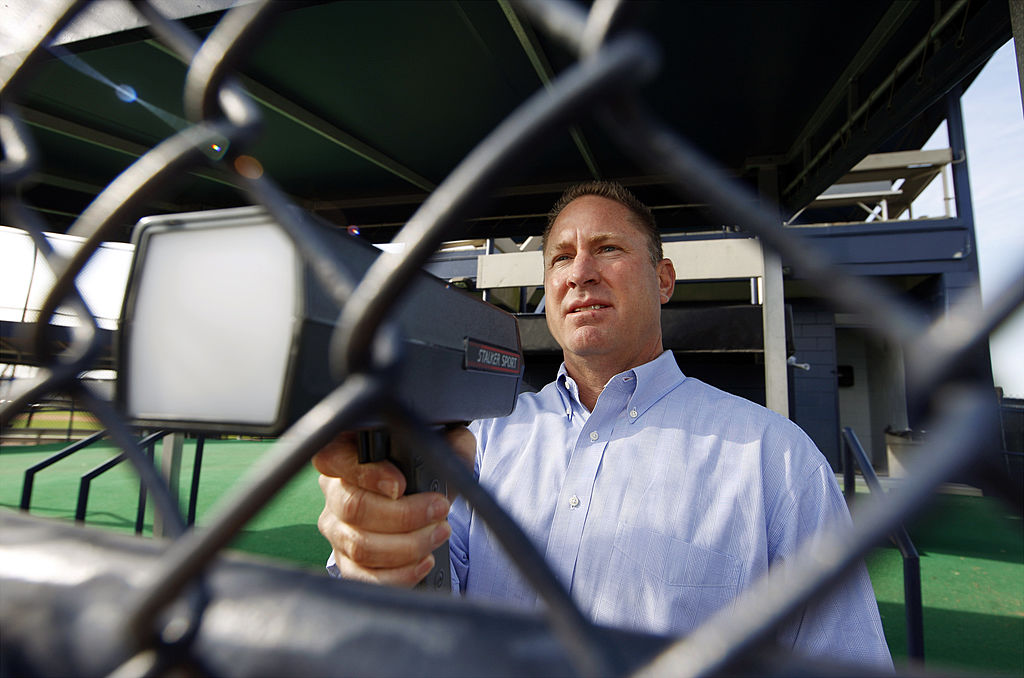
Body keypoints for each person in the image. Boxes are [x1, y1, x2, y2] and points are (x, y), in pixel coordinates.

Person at [314, 181, 893, 669]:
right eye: (561, 257)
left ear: (663, 280)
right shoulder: (481, 438)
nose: (580, 273)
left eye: (608, 248)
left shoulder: (775, 458)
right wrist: (378, 549)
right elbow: (425, 602)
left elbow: (843, 659)